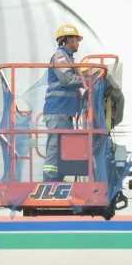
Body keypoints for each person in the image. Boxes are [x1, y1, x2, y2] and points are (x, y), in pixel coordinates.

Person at [43, 24, 85, 182]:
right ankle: (50, 181)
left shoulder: (68, 59)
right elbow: (67, 79)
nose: (78, 43)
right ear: (68, 40)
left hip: (64, 112)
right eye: (76, 40)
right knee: (55, 148)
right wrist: (89, 80)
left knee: (64, 149)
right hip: (57, 110)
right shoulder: (60, 56)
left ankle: (57, 179)